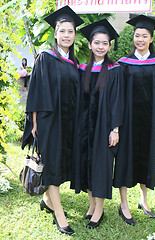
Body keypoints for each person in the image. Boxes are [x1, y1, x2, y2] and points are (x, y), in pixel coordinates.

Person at [21, 5, 84, 236]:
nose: (66, 35)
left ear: (75, 34)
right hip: (49, 121)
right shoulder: (45, 57)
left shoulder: (74, 62)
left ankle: (47, 200)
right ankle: (60, 215)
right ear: (55, 33)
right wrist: (35, 123)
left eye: (70, 31)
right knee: (53, 164)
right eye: (62, 31)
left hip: (68, 123)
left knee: (60, 164)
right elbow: (36, 91)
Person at [113, 15, 155, 226]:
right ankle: (123, 204)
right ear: (134, 38)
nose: (139, 39)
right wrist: (116, 124)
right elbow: (118, 95)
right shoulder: (123, 64)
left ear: (151, 39)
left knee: (146, 160)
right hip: (127, 123)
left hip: (149, 122)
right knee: (124, 160)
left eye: (144, 36)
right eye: (137, 35)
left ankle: (143, 200)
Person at [71, 19, 125, 229]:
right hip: (84, 127)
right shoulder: (83, 69)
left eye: (104, 43)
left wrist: (115, 129)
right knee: (86, 164)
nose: (100, 47)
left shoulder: (115, 70)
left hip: (104, 127)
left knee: (101, 166)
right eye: (97, 43)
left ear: (109, 46)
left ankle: (99, 210)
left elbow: (118, 101)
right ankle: (92, 204)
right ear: (91, 44)